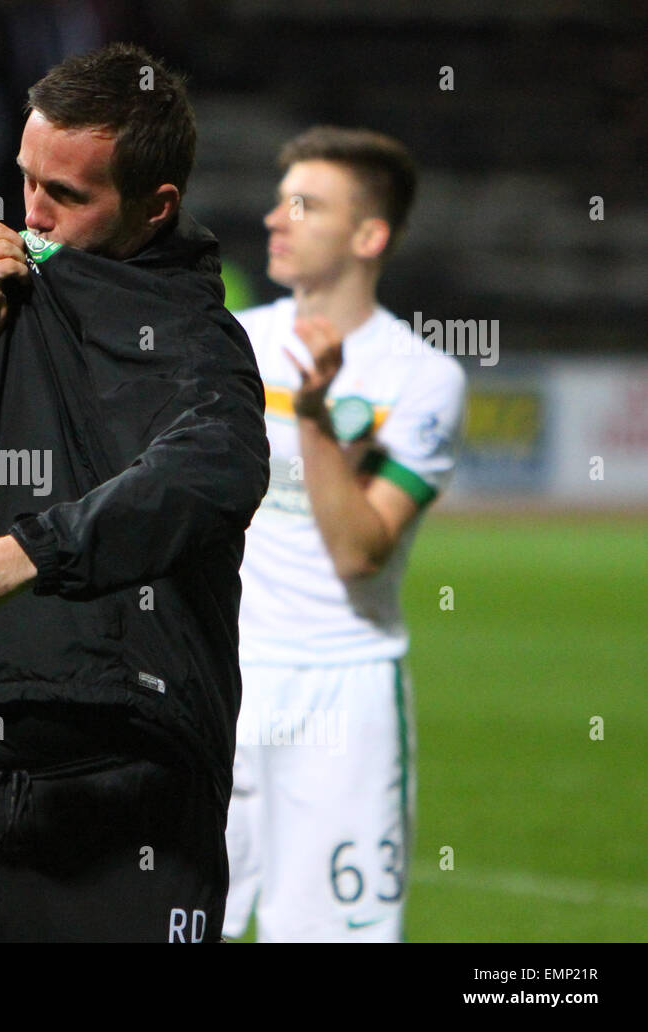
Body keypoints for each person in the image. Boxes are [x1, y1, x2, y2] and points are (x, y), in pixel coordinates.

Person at [0, 42, 269, 943]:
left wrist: (20, 554)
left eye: (65, 196)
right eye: (24, 180)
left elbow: (210, 470)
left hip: (127, 802)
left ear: (155, 206)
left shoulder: (196, 344)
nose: (31, 212)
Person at [221, 127, 467, 942]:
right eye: (279, 199)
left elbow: (361, 550)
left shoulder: (421, 378)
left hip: (341, 694)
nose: (274, 219)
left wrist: (319, 422)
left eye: (305, 205)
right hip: (213, 681)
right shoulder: (231, 346)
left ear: (370, 236)